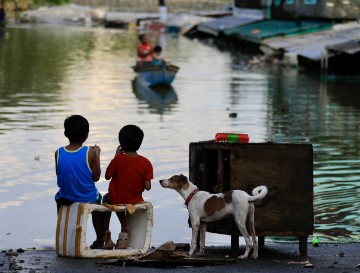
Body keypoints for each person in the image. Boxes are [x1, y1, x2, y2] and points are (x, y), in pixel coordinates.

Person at [55, 115, 104, 249]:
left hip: (66, 198)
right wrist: (97, 154)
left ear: (65, 133)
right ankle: (100, 240)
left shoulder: (58, 152)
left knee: (58, 195)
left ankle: (65, 237)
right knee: (98, 202)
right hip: (88, 198)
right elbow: (96, 177)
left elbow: (60, 177)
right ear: (86, 135)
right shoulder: (90, 152)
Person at [102, 124, 153, 249]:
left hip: (116, 199)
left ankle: (107, 234)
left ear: (121, 144)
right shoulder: (146, 162)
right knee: (123, 200)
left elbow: (107, 176)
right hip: (135, 200)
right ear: (139, 143)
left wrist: (116, 156)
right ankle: (125, 232)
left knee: (107, 199)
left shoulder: (118, 159)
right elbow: (147, 187)